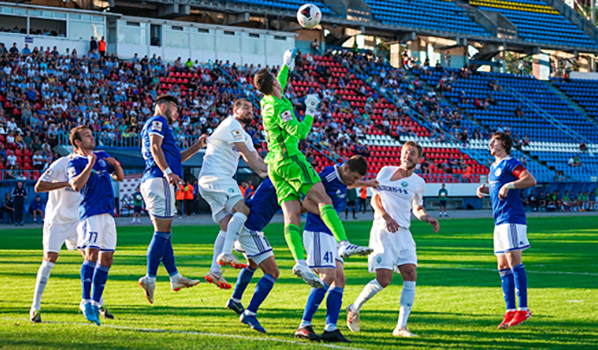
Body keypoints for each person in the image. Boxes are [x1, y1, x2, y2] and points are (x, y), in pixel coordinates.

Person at [253, 48, 372, 288]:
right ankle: (344, 243)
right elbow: (300, 132)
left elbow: (279, 82)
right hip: (291, 160)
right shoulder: (279, 107)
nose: (280, 80)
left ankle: (300, 261)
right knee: (324, 200)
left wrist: (287, 64)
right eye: (277, 78)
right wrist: (311, 110)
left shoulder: (267, 100)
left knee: (291, 217)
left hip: (274, 165)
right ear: (273, 83)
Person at [346, 141, 440, 338]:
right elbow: (375, 198)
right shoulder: (386, 171)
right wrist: (386, 217)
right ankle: (354, 308)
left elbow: (417, 208)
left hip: (404, 232)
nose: (407, 156)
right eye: (405, 152)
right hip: (383, 230)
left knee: (410, 273)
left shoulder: (418, 183)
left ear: (419, 159)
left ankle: (401, 327)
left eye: (412, 153)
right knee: (384, 279)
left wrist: (427, 218)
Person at [296, 156, 378, 342]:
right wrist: (328, 214)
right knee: (328, 275)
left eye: (358, 178)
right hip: (317, 231)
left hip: (330, 234)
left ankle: (330, 327)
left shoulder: (343, 177)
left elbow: (347, 184)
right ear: (346, 168)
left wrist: (366, 183)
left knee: (340, 278)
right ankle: (304, 325)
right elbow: (307, 202)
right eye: (355, 177)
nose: (354, 181)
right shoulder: (328, 176)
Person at [29, 152, 115, 323]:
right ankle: (35, 307)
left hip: (78, 220)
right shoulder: (61, 163)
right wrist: (67, 183)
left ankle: (97, 303)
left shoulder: (91, 161)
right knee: (49, 260)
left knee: (91, 259)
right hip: (57, 221)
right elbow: (39, 186)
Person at [138, 94, 206, 304]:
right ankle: (150, 277)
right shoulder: (158, 121)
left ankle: (175, 277)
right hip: (159, 180)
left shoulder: (159, 126)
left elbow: (174, 156)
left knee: (164, 232)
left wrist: (196, 147)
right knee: (162, 232)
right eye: (175, 109)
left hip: (153, 181)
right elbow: (155, 148)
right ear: (162, 106)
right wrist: (167, 172)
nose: (177, 113)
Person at [198, 98, 268, 290]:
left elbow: (257, 161)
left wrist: (271, 170)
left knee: (226, 225)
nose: (249, 111)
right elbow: (246, 155)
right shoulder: (231, 124)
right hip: (217, 178)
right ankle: (228, 253)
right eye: (245, 108)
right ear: (234, 110)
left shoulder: (244, 134)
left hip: (211, 181)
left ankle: (215, 271)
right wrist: (269, 171)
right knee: (243, 210)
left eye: (251, 109)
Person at [476, 132, 536, 329]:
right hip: (499, 221)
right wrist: (485, 190)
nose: (490, 143)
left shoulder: (510, 162)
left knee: (513, 262)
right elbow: (498, 188)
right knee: (502, 267)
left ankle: (523, 309)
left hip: (512, 219)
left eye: (494, 140)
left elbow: (529, 180)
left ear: (503, 143)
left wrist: (509, 185)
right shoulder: (493, 167)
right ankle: (510, 310)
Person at [67, 126, 124, 325]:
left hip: (108, 213)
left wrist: (115, 165)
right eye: (87, 136)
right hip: (90, 213)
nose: (92, 138)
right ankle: (85, 301)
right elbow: (76, 186)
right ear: (77, 143)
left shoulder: (102, 155)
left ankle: (95, 300)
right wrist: (89, 165)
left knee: (107, 258)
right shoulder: (74, 161)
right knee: (91, 254)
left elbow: (120, 177)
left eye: (91, 135)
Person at [225, 178, 282, 334]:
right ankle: (250, 313)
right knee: (273, 272)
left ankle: (235, 300)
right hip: (252, 229)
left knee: (253, 264)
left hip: (245, 225)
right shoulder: (282, 180)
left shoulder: (275, 178)